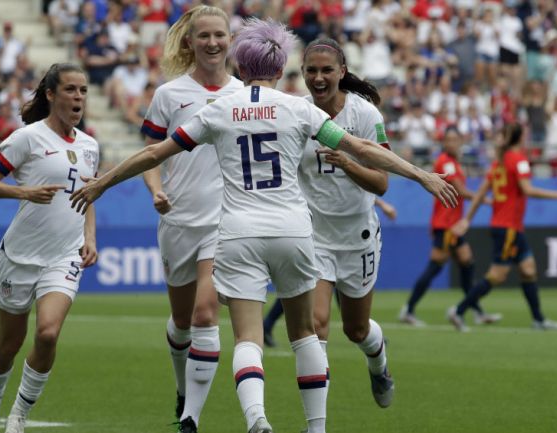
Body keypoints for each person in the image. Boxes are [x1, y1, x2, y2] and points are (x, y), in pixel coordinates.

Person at [71, 18, 457, 433]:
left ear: (240, 63)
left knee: (248, 340)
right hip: (294, 230)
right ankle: (316, 428)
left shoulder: (218, 110)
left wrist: (103, 182)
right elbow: (360, 147)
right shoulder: (298, 108)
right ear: (280, 66)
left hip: (239, 233)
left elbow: (153, 154)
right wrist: (421, 175)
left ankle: (257, 419)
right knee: (307, 335)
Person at [0, 63, 100, 433]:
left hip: (64, 255)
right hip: (19, 255)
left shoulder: (90, 145)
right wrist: (23, 191)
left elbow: (88, 195)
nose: (78, 97)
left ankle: (19, 417)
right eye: (71, 90)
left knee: (47, 333)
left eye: (83, 91)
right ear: (50, 94)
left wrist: (90, 237)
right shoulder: (27, 138)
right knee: (8, 345)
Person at [138, 6, 243, 432]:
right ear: (190, 42)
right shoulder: (169, 95)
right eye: (205, 36)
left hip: (225, 223)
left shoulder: (244, 96)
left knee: (204, 314)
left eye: (220, 35)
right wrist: (156, 189)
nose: (213, 43)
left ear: (230, 41)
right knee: (182, 323)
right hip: (178, 220)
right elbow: (149, 155)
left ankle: (190, 419)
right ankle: (183, 388)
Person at [298, 37, 399, 409]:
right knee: (316, 325)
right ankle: (317, 420)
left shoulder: (366, 116)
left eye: (327, 70)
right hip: (314, 238)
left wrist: (347, 163)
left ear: (342, 72)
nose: (319, 78)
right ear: (302, 73)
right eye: (312, 71)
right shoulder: (298, 113)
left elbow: (382, 183)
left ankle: (379, 363)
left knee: (356, 329)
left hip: (356, 237)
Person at [447, 122, 557, 332]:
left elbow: (480, 194)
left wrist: (467, 219)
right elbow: (527, 189)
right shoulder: (518, 160)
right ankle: (459, 310)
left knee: (528, 269)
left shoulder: (498, 163)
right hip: (508, 228)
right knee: (497, 275)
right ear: (521, 138)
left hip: (507, 227)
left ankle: (539, 319)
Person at [262, 197, 396, 349]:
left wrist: (381, 203)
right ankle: (267, 325)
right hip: (312, 230)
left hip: (342, 235)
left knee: (307, 288)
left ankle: (359, 326)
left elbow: (350, 186)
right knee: (303, 290)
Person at [400, 126, 502, 326]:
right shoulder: (446, 163)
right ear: (444, 143)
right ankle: (410, 309)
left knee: (466, 262)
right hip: (446, 225)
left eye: (456, 139)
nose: (452, 143)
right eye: (449, 140)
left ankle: (474, 310)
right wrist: (485, 200)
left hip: (451, 224)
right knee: (438, 265)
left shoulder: (454, 163)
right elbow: (460, 190)